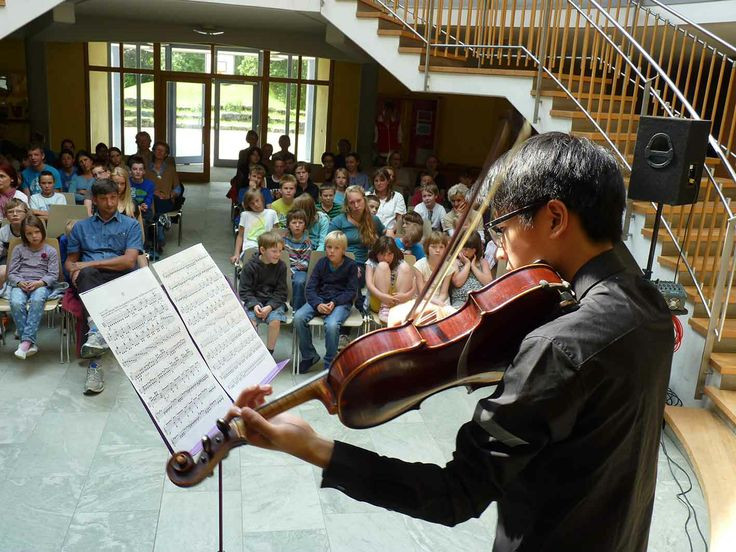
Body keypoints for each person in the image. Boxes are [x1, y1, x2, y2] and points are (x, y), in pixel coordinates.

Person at [225, 132, 674, 552]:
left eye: (503, 229)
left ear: (554, 218)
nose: (502, 248)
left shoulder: (560, 346)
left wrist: (311, 446)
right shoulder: (649, 304)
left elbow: (453, 494)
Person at [66, 179, 143, 394]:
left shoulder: (131, 225)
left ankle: (95, 334)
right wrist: (74, 270)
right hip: (92, 278)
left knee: (90, 272)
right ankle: (95, 351)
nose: (109, 203)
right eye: (103, 198)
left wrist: (87, 263)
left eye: (113, 197)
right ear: (95, 201)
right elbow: (71, 261)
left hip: (122, 277)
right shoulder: (81, 227)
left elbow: (128, 261)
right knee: (88, 275)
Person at [293, 230, 358, 373]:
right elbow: (310, 288)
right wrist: (317, 304)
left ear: (343, 250)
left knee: (332, 324)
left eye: (336, 248)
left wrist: (334, 302)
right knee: (298, 317)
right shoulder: (321, 263)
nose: (331, 251)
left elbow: (351, 291)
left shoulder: (351, 266)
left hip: (340, 302)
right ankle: (309, 355)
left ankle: (330, 361)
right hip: (320, 299)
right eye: (329, 247)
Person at [7, 214, 59, 359]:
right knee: (16, 302)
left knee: (37, 300)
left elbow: (53, 274)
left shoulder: (50, 251)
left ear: (42, 231)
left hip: (41, 284)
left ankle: (26, 341)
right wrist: (19, 282)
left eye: (36, 232)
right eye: (29, 233)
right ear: (24, 235)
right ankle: (29, 342)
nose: (34, 236)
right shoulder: (18, 249)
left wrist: (40, 282)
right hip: (21, 283)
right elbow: (11, 273)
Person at [238, 231, 287, 357]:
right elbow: (244, 290)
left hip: (273, 303)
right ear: (262, 250)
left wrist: (270, 306)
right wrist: (254, 305)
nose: (278, 255)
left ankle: (269, 353)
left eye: (280, 251)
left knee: (275, 321)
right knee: (251, 322)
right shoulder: (250, 267)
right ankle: (252, 354)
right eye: (274, 251)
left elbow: (281, 292)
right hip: (254, 302)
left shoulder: (281, 267)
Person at [365, 236, 415, 323]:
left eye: (389, 254)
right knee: (383, 265)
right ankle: (385, 307)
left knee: (405, 267)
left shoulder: (400, 262)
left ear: (394, 253)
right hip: (378, 299)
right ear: (376, 253)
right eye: (382, 254)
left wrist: (406, 296)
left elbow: (415, 284)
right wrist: (382, 296)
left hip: (397, 300)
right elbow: (369, 284)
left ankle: (400, 307)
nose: (386, 258)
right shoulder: (371, 262)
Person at [146, 141, 183, 253]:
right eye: (157, 149)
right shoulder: (146, 168)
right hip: (151, 200)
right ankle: (160, 227)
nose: (159, 152)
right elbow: (143, 186)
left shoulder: (170, 169)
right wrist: (153, 192)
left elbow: (178, 187)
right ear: (153, 151)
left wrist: (172, 194)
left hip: (167, 200)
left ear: (166, 154)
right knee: (154, 202)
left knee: (158, 205)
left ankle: (158, 232)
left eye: (163, 150)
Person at [230, 190, 279, 263]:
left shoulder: (272, 213)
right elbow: (240, 236)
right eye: (252, 203)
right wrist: (236, 254)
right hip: (250, 248)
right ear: (248, 205)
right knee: (255, 259)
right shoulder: (245, 215)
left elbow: (276, 234)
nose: (256, 204)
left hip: (268, 247)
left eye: (257, 201)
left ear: (262, 199)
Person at [449, 232, 493, 309]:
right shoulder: (455, 262)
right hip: (461, 301)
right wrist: (467, 264)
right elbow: (457, 282)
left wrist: (473, 267)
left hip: (482, 300)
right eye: (464, 248)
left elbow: (488, 282)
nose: (466, 252)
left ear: (475, 250)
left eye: (471, 249)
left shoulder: (483, 262)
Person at [283, 209, 312, 312]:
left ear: (305, 225)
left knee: (299, 282)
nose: (297, 225)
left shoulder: (307, 242)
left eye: (300, 222)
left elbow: (305, 263)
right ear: (288, 225)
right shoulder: (283, 239)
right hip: (285, 268)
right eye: (294, 222)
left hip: (300, 270)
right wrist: (287, 270)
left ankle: (297, 309)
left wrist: (292, 270)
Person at [0, 199, 28, 286]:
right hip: (8, 258)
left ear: (26, 213)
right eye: (11, 212)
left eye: (19, 211)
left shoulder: (31, 229)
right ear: (6, 216)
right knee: (2, 273)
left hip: (29, 258)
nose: (15, 214)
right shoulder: (3, 231)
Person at [371, 167, 406, 232]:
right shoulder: (368, 195)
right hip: (371, 233)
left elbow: (400, 220)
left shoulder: (397, 196)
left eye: (382, 180)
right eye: (376, 181)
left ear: (388, 181)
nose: (379, 183)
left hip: (391, 234)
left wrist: (390, 233)